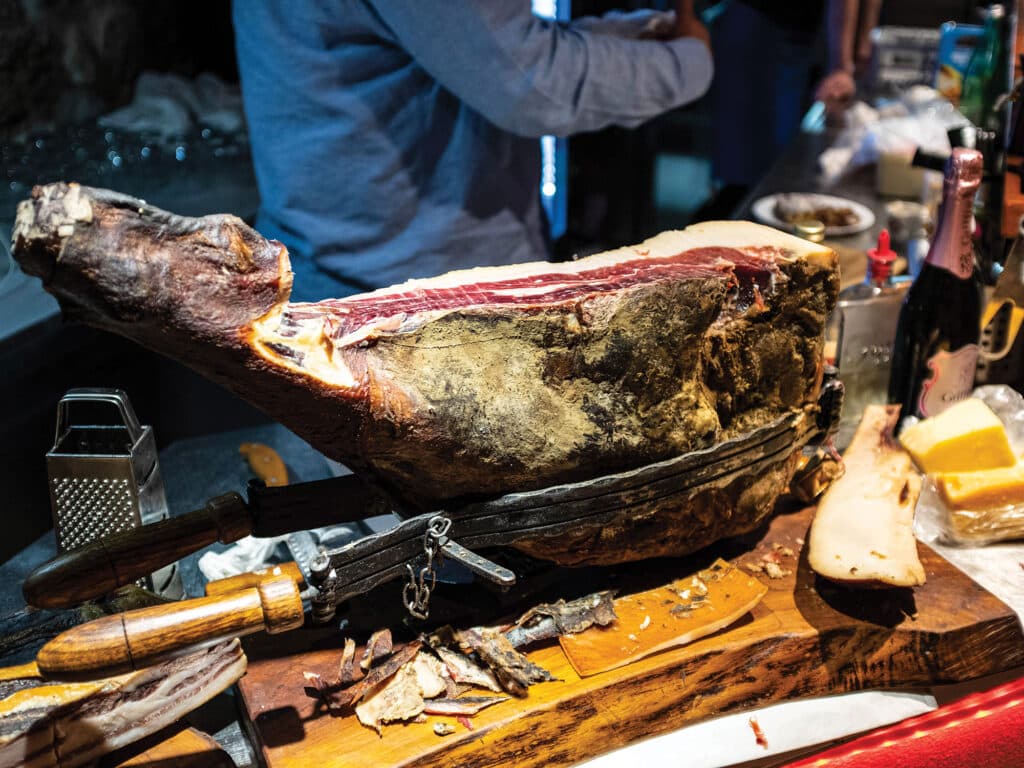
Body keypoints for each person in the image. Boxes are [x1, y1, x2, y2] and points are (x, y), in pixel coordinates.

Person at [233, 1, 713, 301]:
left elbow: (479, 41)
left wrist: (642, 32)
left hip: (375, 269)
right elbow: (528, 81)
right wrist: (689, 60)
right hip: (398, 292)